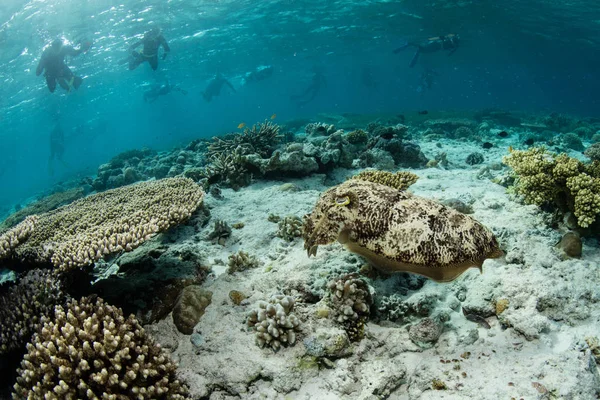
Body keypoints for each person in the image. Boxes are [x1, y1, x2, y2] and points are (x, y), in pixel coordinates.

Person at [394, 34, 460, 68]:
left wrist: (440, 39)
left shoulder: (452, 45)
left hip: (434, 47)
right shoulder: (450, 42)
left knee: (420, 49)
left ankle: (407, 46)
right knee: (420, 49)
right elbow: (433, 39)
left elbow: (447, 51)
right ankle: (407, 46)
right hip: (433, 46)